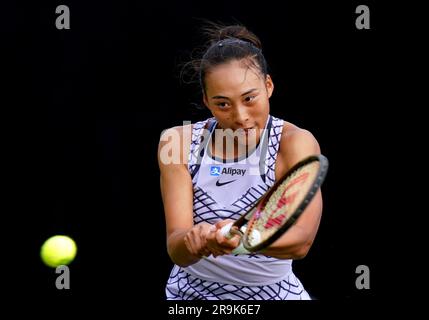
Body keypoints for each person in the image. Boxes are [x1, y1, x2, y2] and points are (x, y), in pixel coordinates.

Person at [158, 23, 323, 300]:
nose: (240, 115)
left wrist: (240, 238)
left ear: (268, 86)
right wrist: (195, 241)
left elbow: (301, 242)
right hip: (190, 295)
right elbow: (176, 248)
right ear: (206, 101)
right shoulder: (176, 142)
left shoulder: (296, 143)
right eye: (223, 103)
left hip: (274, 293)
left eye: (250, 98)